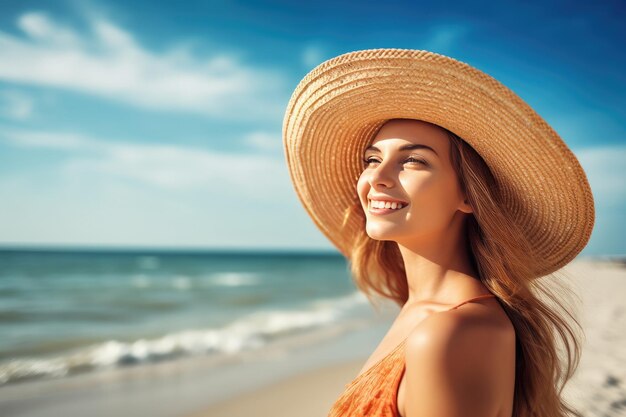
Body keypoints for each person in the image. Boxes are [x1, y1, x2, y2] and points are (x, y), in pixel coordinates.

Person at [282, 49, 595, 417]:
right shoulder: (427, 313)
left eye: (413, 161)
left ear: (468, 195)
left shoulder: (450, 333)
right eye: (372, 159)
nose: (377, 178)